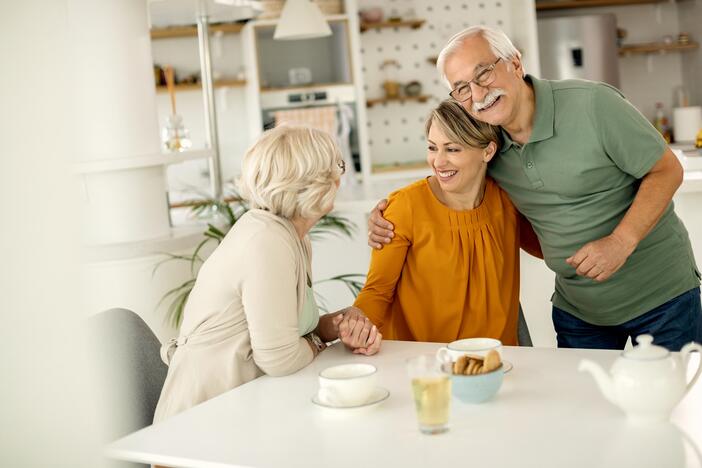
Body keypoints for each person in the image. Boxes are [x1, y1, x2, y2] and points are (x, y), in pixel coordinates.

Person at [368, 25, 702, 351]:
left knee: (674, 402)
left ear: (515, 63)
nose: (479, 94)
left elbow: (667, 170)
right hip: (581, 311)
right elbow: (454, 187)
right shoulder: (489, 144)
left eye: (483, 73)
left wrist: (620, 242)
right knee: (581, 407)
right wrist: (389, 215)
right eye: (462, 88)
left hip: (663, 297)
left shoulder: (593, 105)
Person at [154, 125, 381, 422]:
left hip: (243, 406)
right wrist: (317, 343)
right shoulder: (266, 241)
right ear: (311, 183)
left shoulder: (291, 235)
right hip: (201, 421)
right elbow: (279, 357)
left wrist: (335, 326)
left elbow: (286, 333)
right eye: (336, 167)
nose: (340, 177)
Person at [353, 100, 541, 344]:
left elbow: (548, 249)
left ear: (488, 151)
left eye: (452, 150)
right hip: (425, 362)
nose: (438, 162)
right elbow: (377, 292)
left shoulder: (507, 201)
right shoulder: (405, 207)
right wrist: (357, 328)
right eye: (432, 148)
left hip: (498, 359)